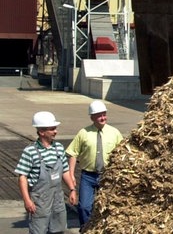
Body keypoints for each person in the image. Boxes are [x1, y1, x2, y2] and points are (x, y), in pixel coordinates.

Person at [14, 111, 77, 234]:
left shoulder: (58, 147)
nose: (56, 131)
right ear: (42, 132)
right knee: (39, 230)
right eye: (52, 129)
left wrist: (72, 189)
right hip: (39, 200)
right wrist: (27, 200)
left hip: (58, 197)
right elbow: (22, 177)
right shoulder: (30, 151)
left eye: (55, 128)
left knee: (58, 228)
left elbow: (65, 170)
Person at [66, 100, 124, 230]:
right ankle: (86, 228)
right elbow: (73, 153)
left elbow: (123, 153)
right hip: (88, 176)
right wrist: (71, 174)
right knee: (84, 206)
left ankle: (107, 229)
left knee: (110, 204)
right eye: (99, 115)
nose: (103, 118)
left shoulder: (114, 133)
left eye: (104, 114)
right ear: (92, 117)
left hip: (107, 175)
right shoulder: (83, 133)